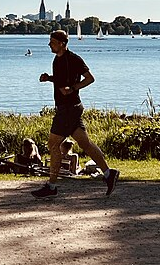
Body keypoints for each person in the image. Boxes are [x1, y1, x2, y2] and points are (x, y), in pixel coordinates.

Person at [32, 30, 119, 198]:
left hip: (68, 108)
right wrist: (48, 78)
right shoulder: (56, 60)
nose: (49, 44)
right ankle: (109, 174)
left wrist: (72, 88)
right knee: (85, 144)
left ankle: (51, 187)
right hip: (70, 108)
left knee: (53, 144)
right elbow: (61, 78)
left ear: (62, 44)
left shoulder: (74, 59)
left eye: (52, 42)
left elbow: (90, 78)